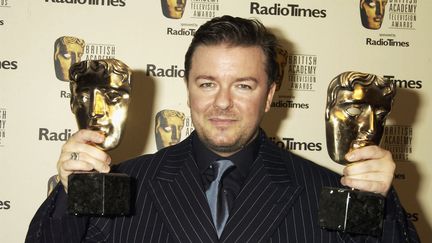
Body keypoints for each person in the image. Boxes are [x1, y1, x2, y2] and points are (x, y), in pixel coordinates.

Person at [26, 15, 418, 242]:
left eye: (243, 86)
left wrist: (379, 206)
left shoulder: (326, 193)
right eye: (208, 83)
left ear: (269, 96)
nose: (223, 102)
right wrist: (71, 190)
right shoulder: (124, 184)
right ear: (188, 90)